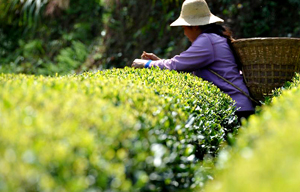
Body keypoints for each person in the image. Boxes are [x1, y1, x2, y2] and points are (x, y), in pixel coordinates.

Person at [131, 0, 255, 122]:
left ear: (194, 26)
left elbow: (175, 65)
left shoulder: (206, 41)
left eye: (184, 28)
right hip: (240, 106)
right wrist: (159, 61)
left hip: (237, 109)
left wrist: (146, 64)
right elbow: (182, 64)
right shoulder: (214, 38)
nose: (184, 33)